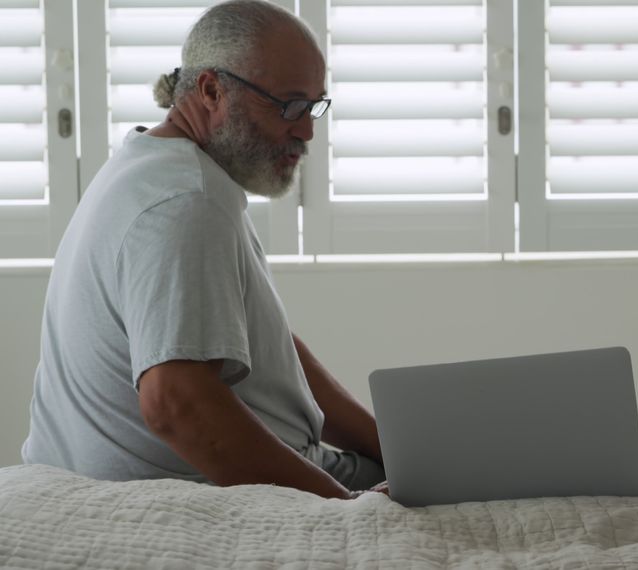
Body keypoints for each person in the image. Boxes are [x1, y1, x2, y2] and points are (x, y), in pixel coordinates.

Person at [21, 0, 383, 500]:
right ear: (212, 90)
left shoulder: (152, 164)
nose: (306, 130)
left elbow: (266, 345)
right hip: (182, 489)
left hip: (109, 473)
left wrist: (392, 447)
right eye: (289, 106)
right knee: (468, 484)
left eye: (315, 106)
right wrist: (345, 509)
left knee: (435, 464)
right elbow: (176, 404)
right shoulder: (186, 201)